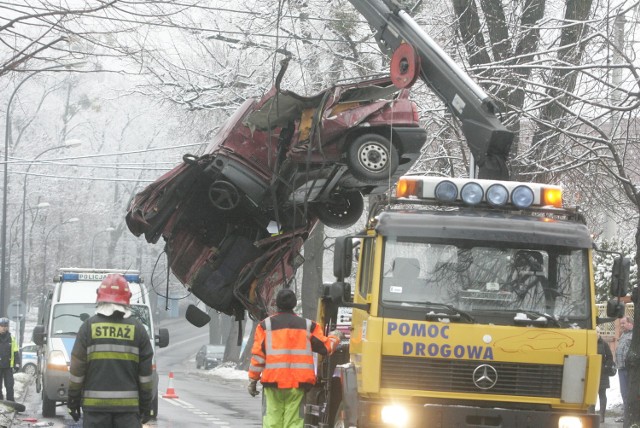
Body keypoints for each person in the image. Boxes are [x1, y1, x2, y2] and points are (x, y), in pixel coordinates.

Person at [68, 274, 154, 427]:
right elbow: (146, 376)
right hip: (128, 412)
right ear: (127, 299)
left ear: (100, 297)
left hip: (95, 411)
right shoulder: (138, 329)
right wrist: (147, 406)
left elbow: (77, 370)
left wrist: (73, 401)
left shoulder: (88, 327)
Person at [248, 288, 342, 428]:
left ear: (277, 304)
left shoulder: (265, 326)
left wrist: (253, 380)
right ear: (293, 304)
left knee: (272, 420)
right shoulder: (308, 326)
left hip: (273, 383)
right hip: (297, 385)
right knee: (293, 422)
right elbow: (326, 348)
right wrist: (336, 336)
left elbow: (258, 357)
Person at [615, 315, 633, 423]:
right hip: (621, 368)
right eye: (621, 323)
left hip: (629, 369)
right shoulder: (623, 335)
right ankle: (626, 415)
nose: (621, 325)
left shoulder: (634, 335)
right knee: (624, 392)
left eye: (623, 323)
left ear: (630, 323)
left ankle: (629, 415)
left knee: (629, 393)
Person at [0, 317, 20, 402]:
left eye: (5, 326)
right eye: (2, 325)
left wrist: (17, 363)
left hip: (8, 366)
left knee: (9, 385)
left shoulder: (11, 338)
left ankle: (10, 402)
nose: (4, 327)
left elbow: (15, 351)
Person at [597, 329, 614, 422]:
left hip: (602, 374)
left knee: (602, 394)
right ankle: (590, 414)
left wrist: (606, 367)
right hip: (591, 372)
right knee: (590, 395)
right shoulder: (588, 342)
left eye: (598, 332)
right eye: (595, 332)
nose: (596, 334)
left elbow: (610, 357)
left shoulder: (604, 344)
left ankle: (601, 415)